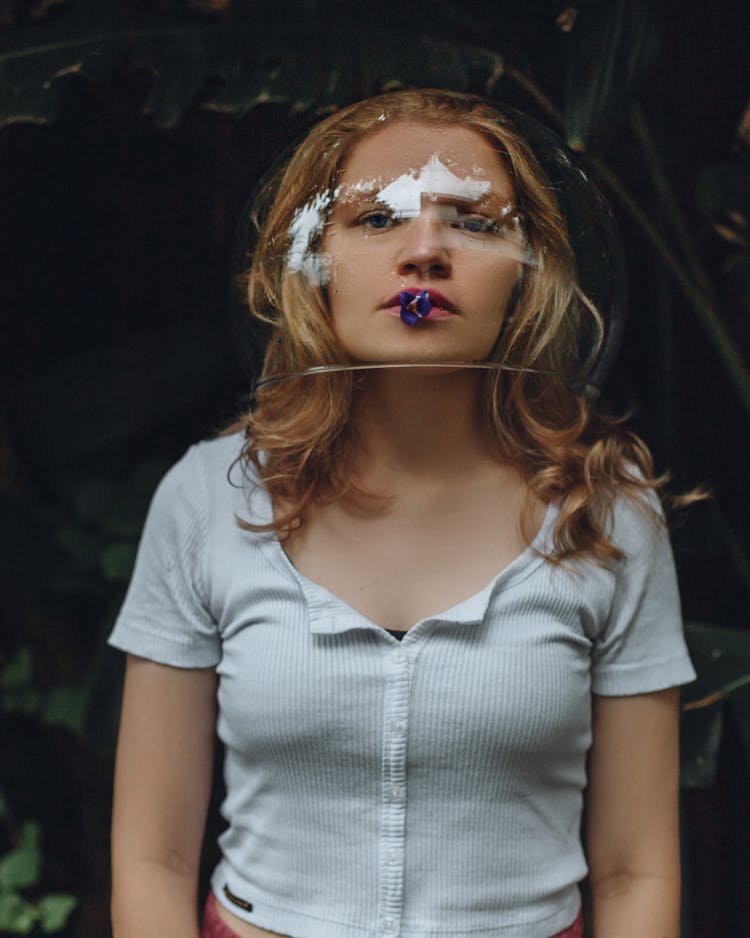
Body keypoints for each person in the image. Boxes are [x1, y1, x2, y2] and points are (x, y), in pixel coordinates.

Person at [109, 89, 696, 938]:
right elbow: (152, 859)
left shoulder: (606, 512)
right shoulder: (209, 497)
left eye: (475, 222)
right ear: (312, 263)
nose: (425, 251)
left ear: (531, 277)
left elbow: (636, 869)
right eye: (377, 220)